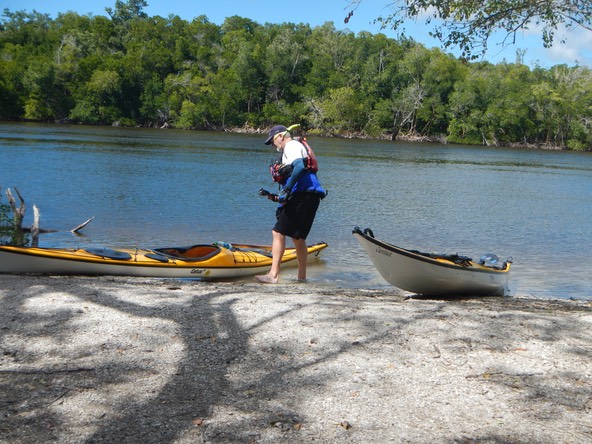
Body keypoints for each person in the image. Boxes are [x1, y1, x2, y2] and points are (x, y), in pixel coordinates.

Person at [255, 125, 326, 284]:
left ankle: (273, 275)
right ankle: (302, 278)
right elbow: (292, 188)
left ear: (280, 136)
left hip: (303, 195)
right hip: (310, 195)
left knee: (278, 233)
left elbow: (300, 166)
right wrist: (273, 196)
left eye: (273, 142)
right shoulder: (296, 146)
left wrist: (286, 189)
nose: (274, 146)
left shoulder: (291, 145)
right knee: (298, 238)